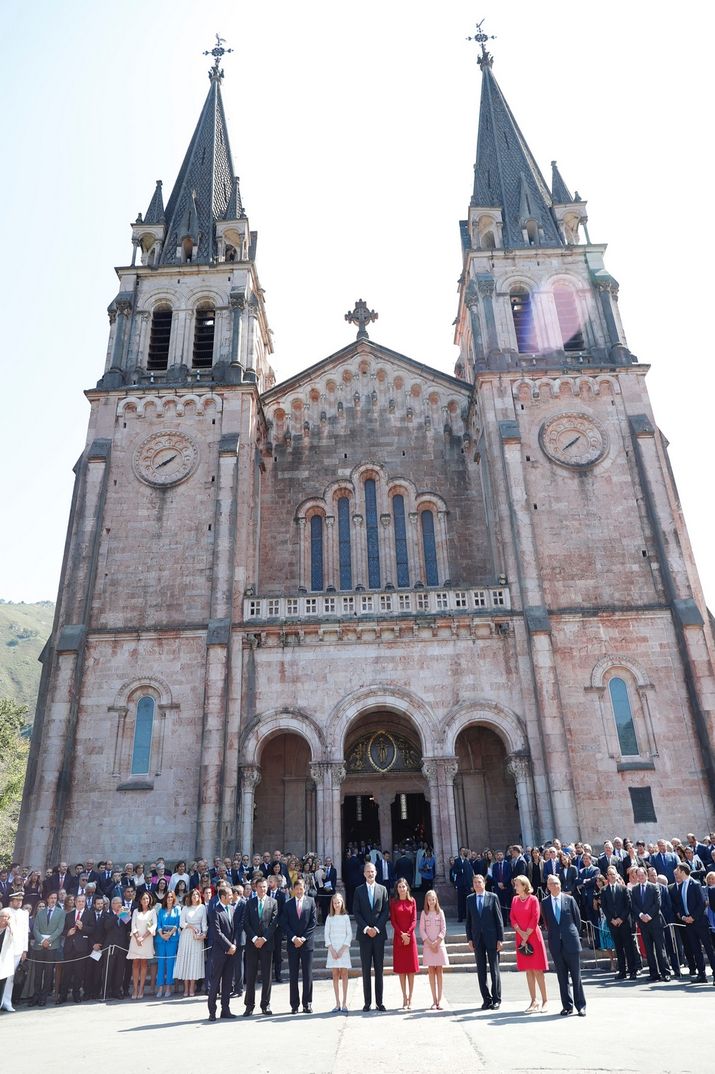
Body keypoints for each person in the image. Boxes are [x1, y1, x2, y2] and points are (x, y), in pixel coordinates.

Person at [541, 875, 586, 1016]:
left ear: (560, 885)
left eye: (556, 883)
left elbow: (577, 920)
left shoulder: (569, 899)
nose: (554, 886)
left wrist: (573, 935)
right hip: (556, 944)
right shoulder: (545, 902)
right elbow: (547, 922)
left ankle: (581, 1006)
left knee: (576, 976)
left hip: (571, 942)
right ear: (548, 886)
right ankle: (567, 1006)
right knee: (562, 976)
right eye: (551, 884)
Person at [353, 861, 389, 1011]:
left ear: (376, 873)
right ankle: (367, 1002)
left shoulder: (383, 889)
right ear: (364, 874)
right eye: (368, 871)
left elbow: (385, 912)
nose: (370, 874)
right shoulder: (358, 890)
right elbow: (356, 912)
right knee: (366, 969)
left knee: (379, 969)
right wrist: (367, 928)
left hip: (379, 935)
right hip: (364, 935)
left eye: (372, 871)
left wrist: (377, 928)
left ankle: (379, 1002)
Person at [670, 861, 715, 982]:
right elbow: (680, 903)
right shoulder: (681, 885)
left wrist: (693, 917)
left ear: (683, 871)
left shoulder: (695, 884)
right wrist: (684, 917)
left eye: (678, 871)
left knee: (708, 948)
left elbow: (701, 903)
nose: (676, 874)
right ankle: (702, 975)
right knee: (696, 949)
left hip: (699, 921)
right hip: (688, 923)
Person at [465, 873, 504, 1010]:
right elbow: (468, 921)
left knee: (494, 969)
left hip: (492, 938)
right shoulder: (470, 899)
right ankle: (486, 999)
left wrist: (500, 939)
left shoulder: (493, 897)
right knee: (481, 970)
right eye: (475, 882)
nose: (477, 884)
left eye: (479, 882)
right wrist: (469, 938)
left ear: (484, 883)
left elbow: (499, 920)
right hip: (477, 939)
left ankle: (496, 999)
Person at [510, 875, 548, 1013]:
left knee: (538, 969)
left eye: (517, 884)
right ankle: (534, 1000)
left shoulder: (533, 899)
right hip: (521, 937)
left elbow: (535, 917)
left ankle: (545, 1000)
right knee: (528, 970)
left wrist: (527, 934)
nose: (515, 887)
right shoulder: (514, 900)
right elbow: (512, 917)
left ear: (524, 886)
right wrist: (521, 933)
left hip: (533, 936)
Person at [243, 876, 278, 1016]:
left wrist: (263, 939)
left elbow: (274, 923)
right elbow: (246, 923)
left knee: (267, 976)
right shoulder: (249, 903)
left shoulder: (273, 902)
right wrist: (254, 938)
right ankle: (249, 1006)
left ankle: (265, 1005)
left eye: (264, 887)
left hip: (267, 943)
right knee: (250, 976)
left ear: (267, 887)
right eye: (260, 887)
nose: (262, 889)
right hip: (252, 944)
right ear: (255, 888)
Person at [282, 877, 317, 1014]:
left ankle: (307, 1003)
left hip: (307, 944)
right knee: (293, 975)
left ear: (305, 889)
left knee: (308, 975)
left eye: (301, 888)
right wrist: (293, 938)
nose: (299, 891)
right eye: (296, 889)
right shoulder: (288, 904)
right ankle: (294, 1005)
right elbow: (284, 923)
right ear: (292, 890)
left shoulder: (311, 902)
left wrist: (302, 938)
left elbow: (313, 923)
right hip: (293, 944)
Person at [630, 866, 670, 981]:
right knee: (649, 949)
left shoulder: (654, 887)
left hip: (655, 922)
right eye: (639, 876)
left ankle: (665, 972)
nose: (641, 877)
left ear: (646, 876)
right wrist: (641, 915)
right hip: (643, 923)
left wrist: (649, 915)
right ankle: (654, 973)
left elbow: (657, 904)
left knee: (660, 948)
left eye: (642, 875)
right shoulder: (635, 889)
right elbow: (634, 905)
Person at [600, 865, 638, 979]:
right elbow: (604, 907)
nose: (611, 876)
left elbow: (628, 905)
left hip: (624, 922)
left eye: (613, 874)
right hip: (612, 923)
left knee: (628, 947)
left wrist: (621, 918)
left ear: (616, 875)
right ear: (607, 876)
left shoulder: (623, 888)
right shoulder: (604, 890)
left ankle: (632, 971)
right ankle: (622, 971)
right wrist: (612, 919)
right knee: (618, 948)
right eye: (609, 874)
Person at [206, 885, 238, 1021]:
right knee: (215, 982)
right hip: (219, 952)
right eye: (230, 895)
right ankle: (212, 1011)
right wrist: (229, 945)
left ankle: (226, 1009)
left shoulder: (231, 908)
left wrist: (234, 944)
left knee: (227, 982)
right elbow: (217, 933)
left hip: (231, 951)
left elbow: (234, 929)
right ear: (223, 897)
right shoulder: (215, 911)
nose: (232, 897)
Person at [30, 891, 65, 1006]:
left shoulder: (61, 913)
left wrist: (48, 941)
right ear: (47, 899)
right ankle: (36, 995)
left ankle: (43, 997)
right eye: (51, 898)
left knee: (49, 972)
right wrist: (42, 941)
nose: (53, 900)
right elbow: (35, 929)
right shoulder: (41, 912)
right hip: (39, 946)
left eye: (55, 898)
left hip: (52, 946)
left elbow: (59, 929)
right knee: (38, 973)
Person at [390, 878, 419, 1009]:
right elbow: (393, 921)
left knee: (411, 970)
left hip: (410, 938)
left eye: (403, 886)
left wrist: (407, 933)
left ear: (407, 888)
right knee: (402, 970)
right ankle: (403, 997)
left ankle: (411, 998)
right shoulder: (394, 902)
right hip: (399, 938)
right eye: (399, 887)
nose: (402, 889)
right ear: (397, 889)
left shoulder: (412, 901)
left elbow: (414, 920)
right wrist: (401, 934)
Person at [59, 892, 91, 1003]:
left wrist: (83, 927)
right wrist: (67, 933)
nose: (80, 903)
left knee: (78, 973)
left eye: (82, 901)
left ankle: (76, 995)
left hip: (81, 948)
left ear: (85, 903)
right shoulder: (69, 915)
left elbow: (92, 930)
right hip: (69, 948)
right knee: (66, 973)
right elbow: (61, 930)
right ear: (75, 902)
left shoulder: (89, 914)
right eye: (78, 901)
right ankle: (62, 995)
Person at [175, 887, 207, 997]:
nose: (195, 897)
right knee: (186, 961)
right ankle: (186, 988)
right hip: (187, 936)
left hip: (197, 937)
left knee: (194, 962)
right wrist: (191, 926)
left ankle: (192, 988)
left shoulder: (202, 908)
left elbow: (204, 923)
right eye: (193, 895)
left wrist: (204, 934)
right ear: (190, 897)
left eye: (197, 895)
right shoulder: (185, 908)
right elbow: (181, 923)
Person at [419, 888, 448, 1010]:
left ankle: (440, 1001)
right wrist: (430, 943)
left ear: (436, 900)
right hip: (428, 946)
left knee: (439, 972)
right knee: (431, 971)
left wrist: (437, 942)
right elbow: (421, 929)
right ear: (426, 901)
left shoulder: (440, 912)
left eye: (433, 899)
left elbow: (443, 929)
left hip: (439, 945)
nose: (431, 902)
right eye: (429, 900)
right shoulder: (424, 914)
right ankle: (433, 999)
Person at [324, 891, 352, 1012]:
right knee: (335, 975)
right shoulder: (329, 918)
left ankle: (345, 1003)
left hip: (343, 950)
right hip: (332, 950)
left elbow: (349, 934)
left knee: (344, 975)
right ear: (332, 904)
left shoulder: (346, 917)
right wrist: (331, 949)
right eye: (334, 903)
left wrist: (342, 949)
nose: (336, 905)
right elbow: (326, 934)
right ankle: (337, 1003)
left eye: (339, 902)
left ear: (342, 903)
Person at [127, 890, 157, 999]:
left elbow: (153, 926)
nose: (145, 900)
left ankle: (141, 988)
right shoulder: (135, 911)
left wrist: (143, 938)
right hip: (135, 940)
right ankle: (135, 988)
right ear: (140, 900)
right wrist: (137, 938)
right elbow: (133, 925)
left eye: (147, 899)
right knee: (135, 964)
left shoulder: (152, 912)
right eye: (144, 898)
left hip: (147, 940)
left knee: (144, 964)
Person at [2, 890, 28, 1010]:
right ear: (11, 901)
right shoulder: (6, 911)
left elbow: (25, 933)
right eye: (17, 900)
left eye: (21, 900)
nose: (19, 902)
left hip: (17, 949)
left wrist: (25, 950)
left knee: (11, 978)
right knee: (3, 976)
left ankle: (7, 1002)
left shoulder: (24, 913)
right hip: (5, 949)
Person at [155, 890, 181, 997]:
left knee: (170, 963)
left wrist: (169, 934)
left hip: (172, 939)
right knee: (161, 964)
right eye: (168, 897)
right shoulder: (161, 910)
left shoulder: (177, 909)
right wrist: (162, 935)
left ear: (174, 898)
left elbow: (177, 923)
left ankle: (168, 988)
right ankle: (160, 988)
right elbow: (159, 924)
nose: (170, 898)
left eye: (171, 897)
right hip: (161, 940)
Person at [453, 848, 475, 922]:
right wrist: (461, 871)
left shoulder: (468, 861)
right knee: (460, 901)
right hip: (460, 884)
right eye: (462, 851)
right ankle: (460, 917)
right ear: (460, 852)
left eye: (464, 851)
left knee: (468, 900)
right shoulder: (457, 861)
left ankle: (468, 916)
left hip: (467, 884)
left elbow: (470, 874)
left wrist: (471, 885)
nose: (463, 852)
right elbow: (454, 871)